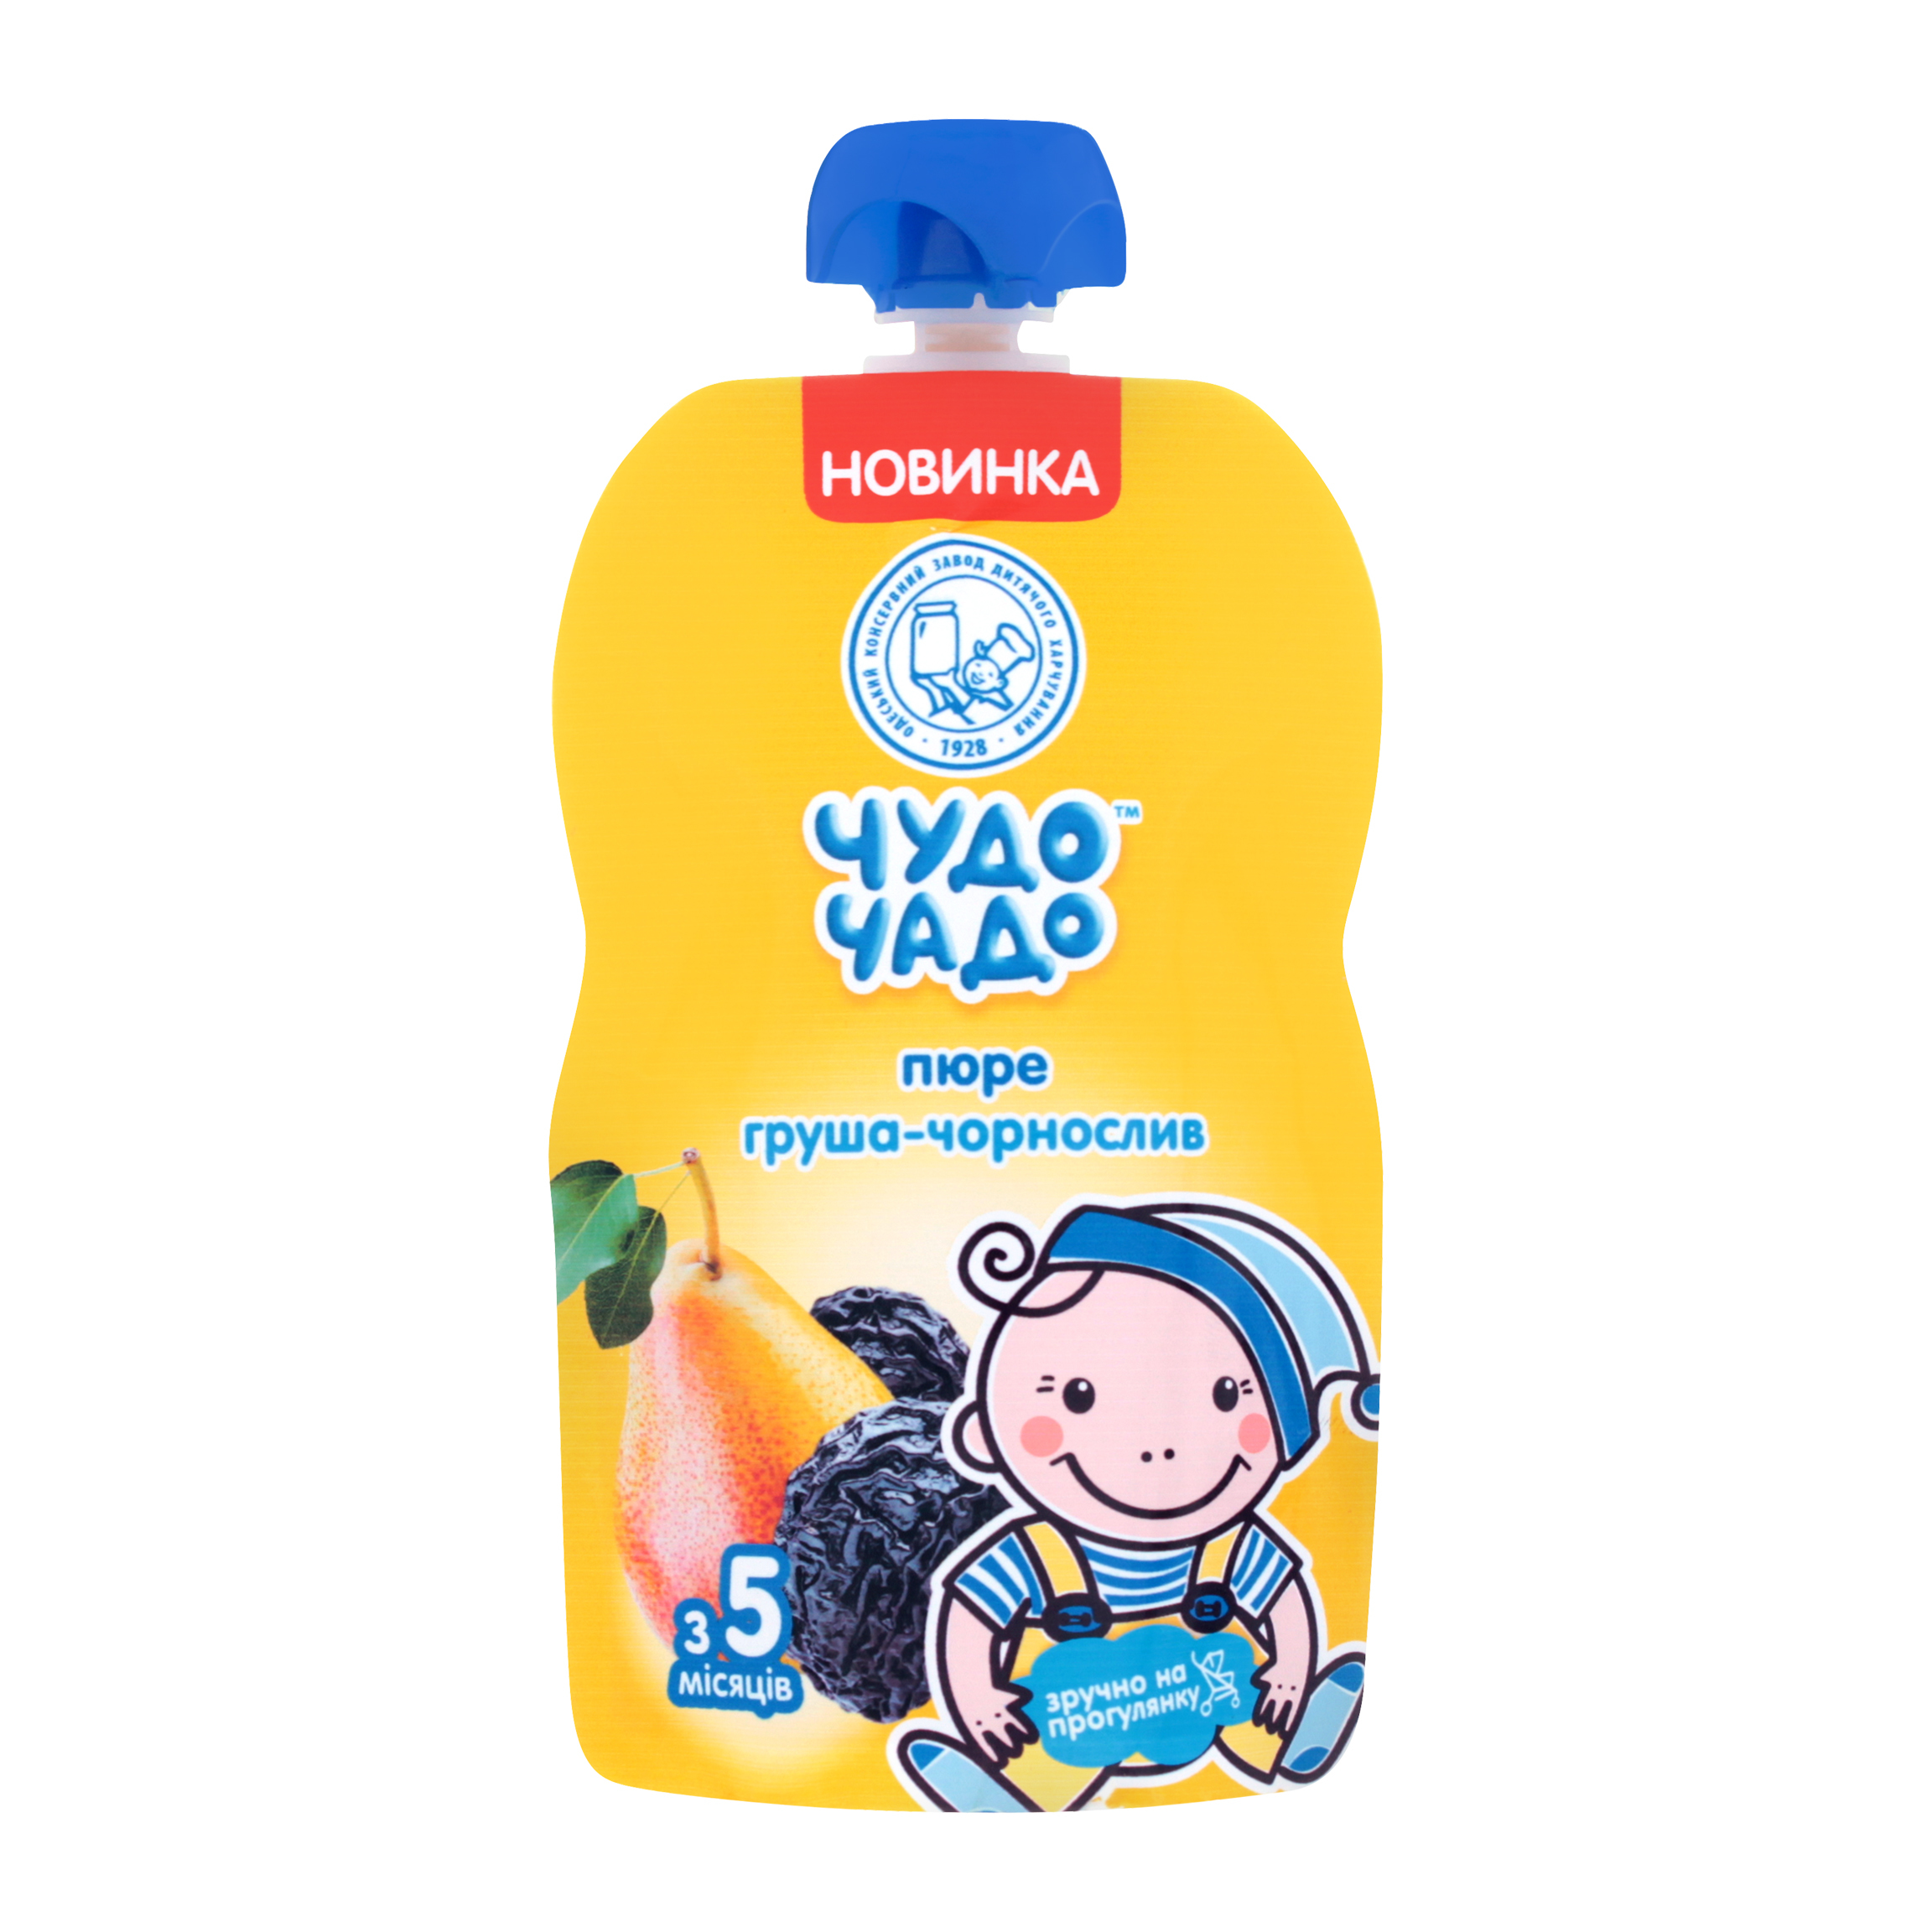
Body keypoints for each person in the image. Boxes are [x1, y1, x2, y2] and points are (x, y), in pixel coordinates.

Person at [892, 1198, 1379, 1813]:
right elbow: (974, 1613)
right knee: (1036, 1743)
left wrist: (1292, 1666)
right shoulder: (1039, 1554)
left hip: (1216, 1696)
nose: (1157, 1443)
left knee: (1263, 1706)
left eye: (1225, 1395)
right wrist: (980, 1700)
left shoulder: (1229, 1548)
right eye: (1078, 1396)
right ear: (985, 1435)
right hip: (1073, 1718)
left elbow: (1281, 1600)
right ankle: (1002, 1791)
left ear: (1281, 1437)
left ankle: (1301, 1729)